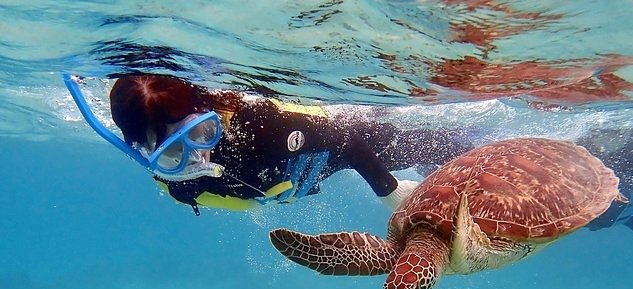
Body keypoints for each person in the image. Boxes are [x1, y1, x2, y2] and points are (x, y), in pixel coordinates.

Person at [64, 74, 473, 216]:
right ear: (143, 152)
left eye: (202, 135)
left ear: (212, 115)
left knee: (442, 149)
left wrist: (388, 192)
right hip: (301, 175)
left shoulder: (258, 128)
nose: (199, 157)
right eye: (173, 154)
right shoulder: (174, 184)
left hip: (343, 142)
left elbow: (345, 139)